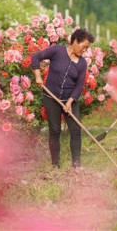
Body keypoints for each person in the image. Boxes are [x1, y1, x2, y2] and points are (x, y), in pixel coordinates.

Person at [32, 28, 94, 168]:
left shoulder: (82, 63)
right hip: (51, 97)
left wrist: (70, 101)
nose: (84, 51)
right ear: (75, 41)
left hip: (69, 100)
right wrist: (37, 76)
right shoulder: (57, 51)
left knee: (76, 130)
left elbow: (79, 86)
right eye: (84, 47)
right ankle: (55, 164)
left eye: (87, 48)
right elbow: (35, 57)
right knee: (54, 130)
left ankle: (76, 163)